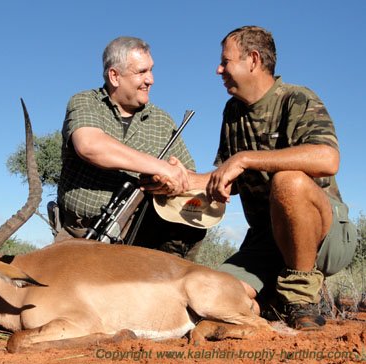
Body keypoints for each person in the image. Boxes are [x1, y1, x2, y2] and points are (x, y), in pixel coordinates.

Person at [144, 26, 357, 329]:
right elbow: (222, 178)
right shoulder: (233, 111)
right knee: (214, 295)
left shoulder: (297, 98)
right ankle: (270, 298)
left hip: (328, 236)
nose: (219, 70)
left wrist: (243, 158)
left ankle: (302, 298)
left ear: (253, 60)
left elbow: (328, 158)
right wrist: (177, 179)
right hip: (267, 240)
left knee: (289, 182)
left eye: (225, 61)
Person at [54, 36, 206, 257]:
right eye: (141, 72)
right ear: (114, 76)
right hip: (78, 235)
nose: (151, 79)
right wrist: (161, 167)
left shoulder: (162, 121)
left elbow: (186, 173)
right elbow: (89, 146)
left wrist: (170, 183)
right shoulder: (85, 102)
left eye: (151, 70)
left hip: (138, 241)